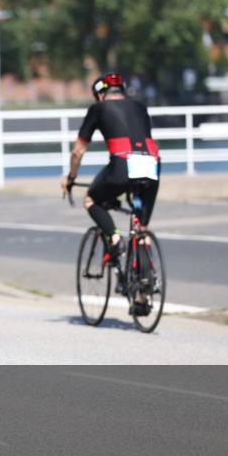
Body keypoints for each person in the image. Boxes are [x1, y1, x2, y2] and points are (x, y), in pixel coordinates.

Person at [60, 72, 160, 315]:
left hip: (122, 165)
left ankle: (114, 239)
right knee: (141, 228)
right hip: (151, 164)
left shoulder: (98, 109)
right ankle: (143, 294)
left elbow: (78, 152)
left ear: (100, 95)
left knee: (91, 199)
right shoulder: (140, 107)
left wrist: (70, 178)